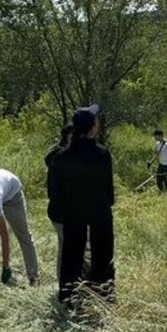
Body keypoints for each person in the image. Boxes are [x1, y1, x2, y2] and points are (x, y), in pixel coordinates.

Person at [48, 104, 116, 307]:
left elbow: (54, 191)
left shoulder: (61, 157)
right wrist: (107, 203)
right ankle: (103, 297)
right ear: (92, 128)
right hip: (99, 213)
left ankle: (69, 297)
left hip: (72, 214)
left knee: (71, 256)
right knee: (102, 256)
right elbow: (108, 188)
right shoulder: (102, 154)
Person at [45, 124, 72, 275]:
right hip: (63, 210)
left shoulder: (57, 155)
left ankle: (64, 280)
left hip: (56, 209)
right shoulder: (63, 157)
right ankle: (68, 282)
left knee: (64, 246)